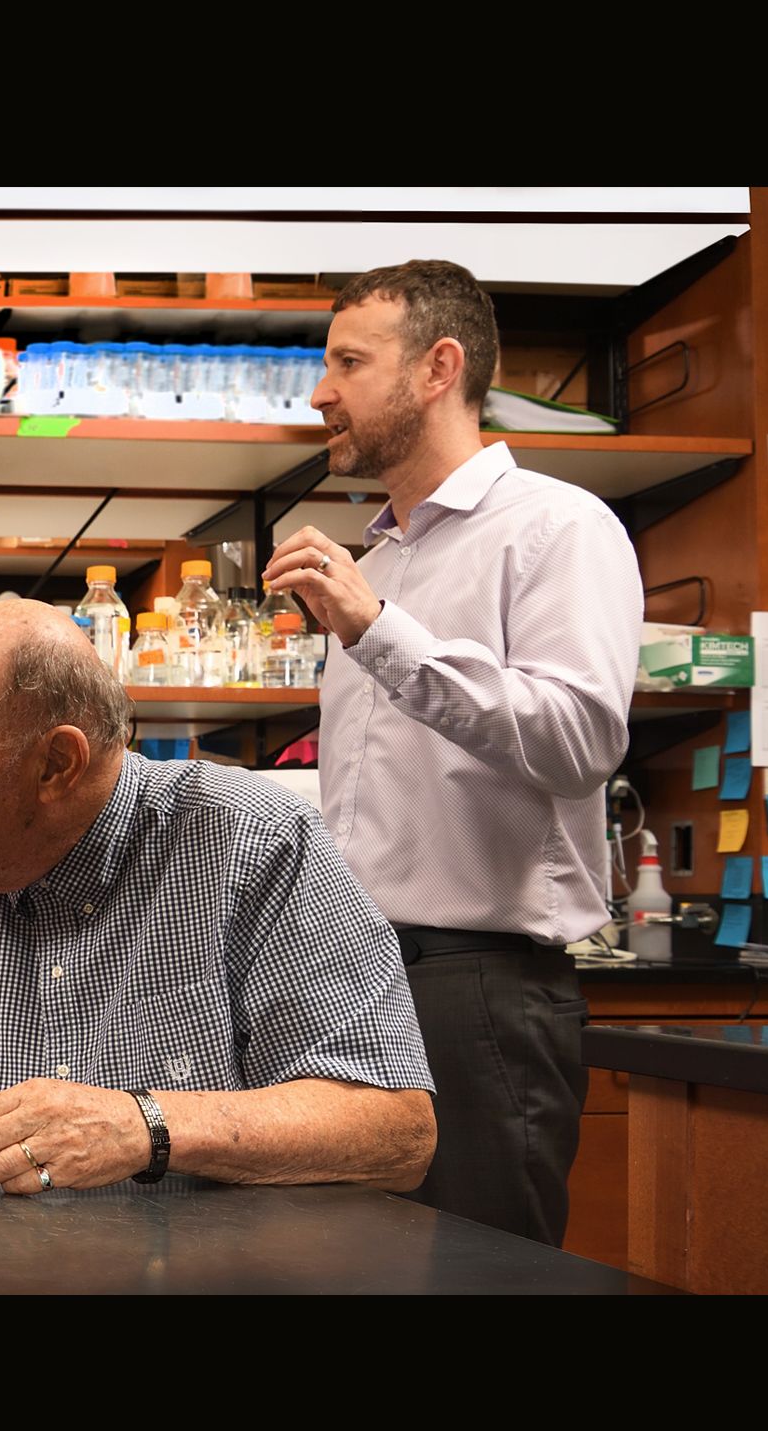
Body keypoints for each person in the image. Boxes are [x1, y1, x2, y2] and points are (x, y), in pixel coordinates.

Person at [263, 259, 642, 1245]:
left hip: (479, 993)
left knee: (479, 1277)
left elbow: (579, 740)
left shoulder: (557, 528)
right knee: (348, 1268)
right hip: (352, 984)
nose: (320, 392)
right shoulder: (376, 561)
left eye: (349, 362)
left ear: (438, 368)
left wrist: (377, 630)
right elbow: (377, 799)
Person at [0, 601, 437, 1197]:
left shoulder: (253, 842)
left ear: (56, 764)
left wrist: (147, 1128)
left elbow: (397, 1134)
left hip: (199, 1258)